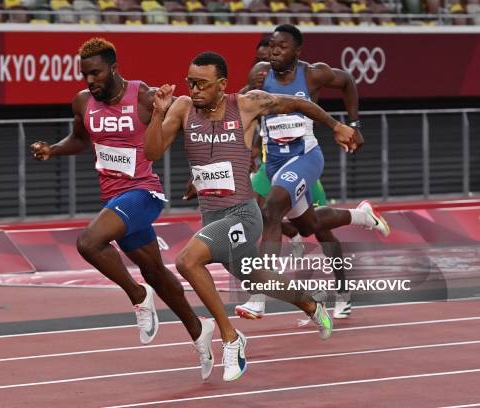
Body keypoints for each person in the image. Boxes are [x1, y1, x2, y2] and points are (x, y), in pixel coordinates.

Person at [145, 51, 356, 381]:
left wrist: (337, 125)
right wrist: (158, 114)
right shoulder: (183, 108)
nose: (194, 89)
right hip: (211, 216)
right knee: (256, 279)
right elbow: (152, 152)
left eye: (202, 83)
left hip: (243, 214)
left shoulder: (246, 104)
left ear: (222, 84)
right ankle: (312, 305)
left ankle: (232, 339)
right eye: (191, 82)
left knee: (187, 261)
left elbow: (299, 105)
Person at [30, 38, 214, 381]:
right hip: (113, 198)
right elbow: (81, 139)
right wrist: (52, 150)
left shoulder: (144, 96)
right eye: (85, 74)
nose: (89, 80)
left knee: (88, 242)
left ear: (114, 68)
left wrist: (199, 171)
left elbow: (193, 128)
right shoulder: (83, 102)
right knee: (156, 271)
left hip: (143, 193)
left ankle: (137, 295)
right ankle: (198, 329)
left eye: (96, 73)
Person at [236, 25, 390, 321]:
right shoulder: (259, 73)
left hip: (305, 157)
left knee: (275, 211)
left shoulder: (313, 74)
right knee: (308, 224)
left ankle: (261, 294)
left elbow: (347, 82)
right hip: (274, 163)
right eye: (270, 47)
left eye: (281, 47)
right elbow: (244, 107)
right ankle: (363, 216)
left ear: (297, 51)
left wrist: (354, 125)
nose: (273, 52)